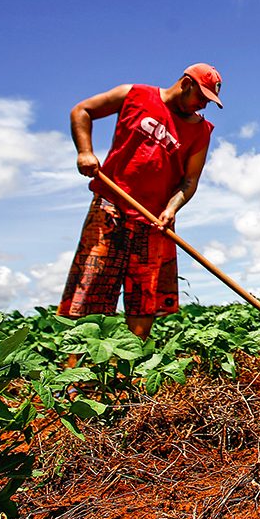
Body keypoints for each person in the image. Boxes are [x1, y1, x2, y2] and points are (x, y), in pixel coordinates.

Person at [58, 64, 222, 339]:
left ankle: (127, 370)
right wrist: (85, 152)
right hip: (110, 206)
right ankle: (78, 375)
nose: (203, 104)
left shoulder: (201, 131)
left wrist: (171, 209)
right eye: (201, 96)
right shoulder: (134, 95)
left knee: (144, 300)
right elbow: (82, 111)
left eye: (208, 100)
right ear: (185, 83)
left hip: (154, 220)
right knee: (91, 291)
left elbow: (189, 182)